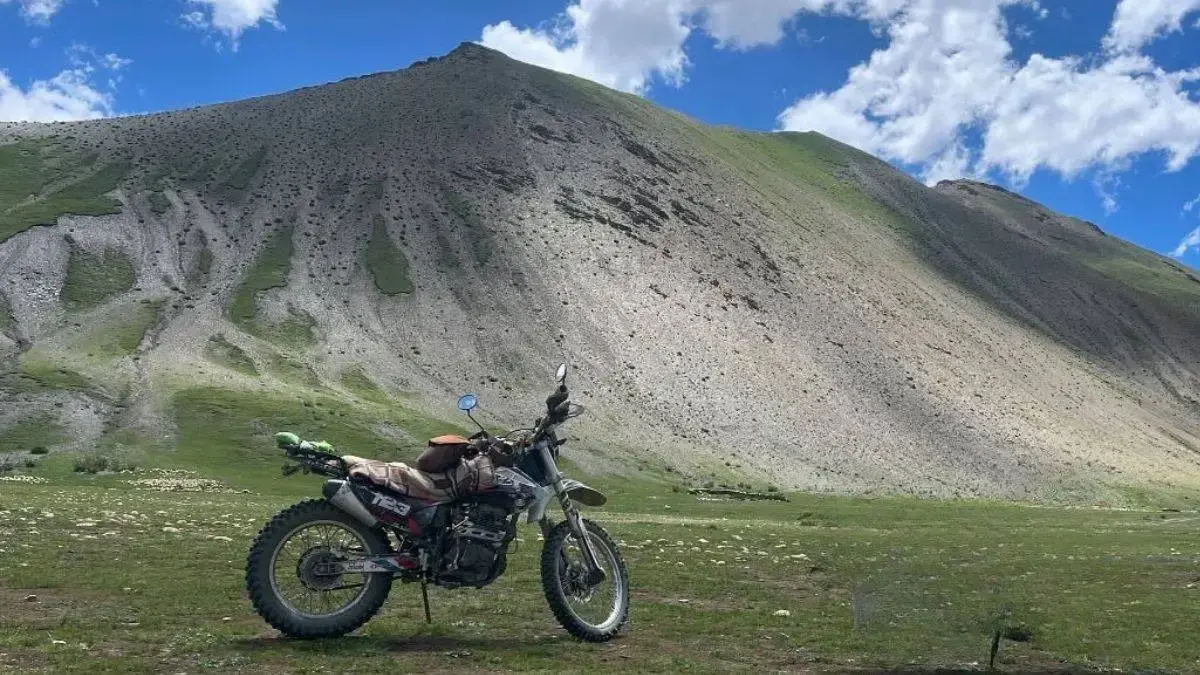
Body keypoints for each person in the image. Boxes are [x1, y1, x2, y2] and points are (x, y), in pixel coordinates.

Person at [340, 434, 513, 501]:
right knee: (399, 470)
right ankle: (349, 462)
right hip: (435, 485)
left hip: (439, 480)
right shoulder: (481, 459)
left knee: (398, 469)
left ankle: (349, 461)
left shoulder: (469, 460)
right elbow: (486, 485)